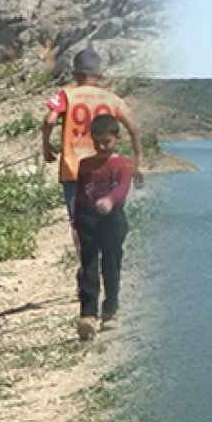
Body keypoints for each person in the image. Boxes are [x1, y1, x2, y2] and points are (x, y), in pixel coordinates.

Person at [41, 48, 145, 225]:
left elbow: (50, 121)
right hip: (106, 169)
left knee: (79, 222)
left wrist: (46, 147)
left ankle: (84, 252)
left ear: (75, 73)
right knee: (105, 219)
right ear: (100, 73)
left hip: (73, 170)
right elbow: (134, 128)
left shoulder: (66, 94)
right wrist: (138, 163)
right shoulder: (112, 98)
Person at [73, 114, 134, 341]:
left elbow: (121, 189)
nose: (101, 146)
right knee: (88, 265)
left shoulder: (123, 164)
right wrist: (76, 221)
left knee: (111, 263)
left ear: (116, 138)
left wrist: (109, 200)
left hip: (113, 220)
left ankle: (110, 310)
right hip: (87, 219)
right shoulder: (85, 165)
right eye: (96, 142)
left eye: (106, 142)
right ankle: (88, 314)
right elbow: (79, 194)